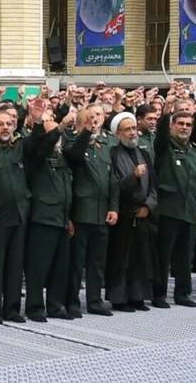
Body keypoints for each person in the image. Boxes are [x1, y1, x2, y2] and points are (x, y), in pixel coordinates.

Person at [0, 98, 47, 325]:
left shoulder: (19, 146)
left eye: (9, 124)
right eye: (0, 124)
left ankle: (12, 308)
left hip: (20, 213)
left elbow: (37, 141)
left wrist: (37, 120)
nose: (5, 128)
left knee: (16, 265)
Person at [64, 104, 119, 318]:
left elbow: (112, 179)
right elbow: (75, 156)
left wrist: (113, 207)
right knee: (76, 262)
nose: (94, 120)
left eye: (97, 116)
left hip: (101, 212)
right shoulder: (72, 141)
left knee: (97, 262)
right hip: (81, 213)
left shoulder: (106, 145)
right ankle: (72, 302)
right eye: (89, 117)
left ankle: (95, 301)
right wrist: (86, 131)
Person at [152, 110, 196, 309]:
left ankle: (183, 293)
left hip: (191, 209)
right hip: (169, 210)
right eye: (180, 123)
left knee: (186, 255)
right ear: (172, 126)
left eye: (188, 124)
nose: (184, 127)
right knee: (163, 255)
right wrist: (166, 113)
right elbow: (160, 135)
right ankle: (158, 294)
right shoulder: (164, 147)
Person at [24, 109, 76, 322]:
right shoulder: (35, 153)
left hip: (61, 216)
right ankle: (35, 306)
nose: (55, 134)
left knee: (60, 265)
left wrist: (69, 217)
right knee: (39, 265)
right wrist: (59, 127)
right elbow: (43, 146)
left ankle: (55, 305)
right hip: (43, 216)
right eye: (50, 129)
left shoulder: (62, 156)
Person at [106, 113, 158, 312]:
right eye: (127, 129)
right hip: (123, 215)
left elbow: (153, 185)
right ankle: (120, 299)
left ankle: (138, 297)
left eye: (134, 128)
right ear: (118, 134)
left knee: (141, 258)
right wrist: (133, 176)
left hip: (143, 214)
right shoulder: (112, 154)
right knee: (122, 259)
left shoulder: (144, 154)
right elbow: (114, 186)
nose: (132, 133)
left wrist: (148, 206)